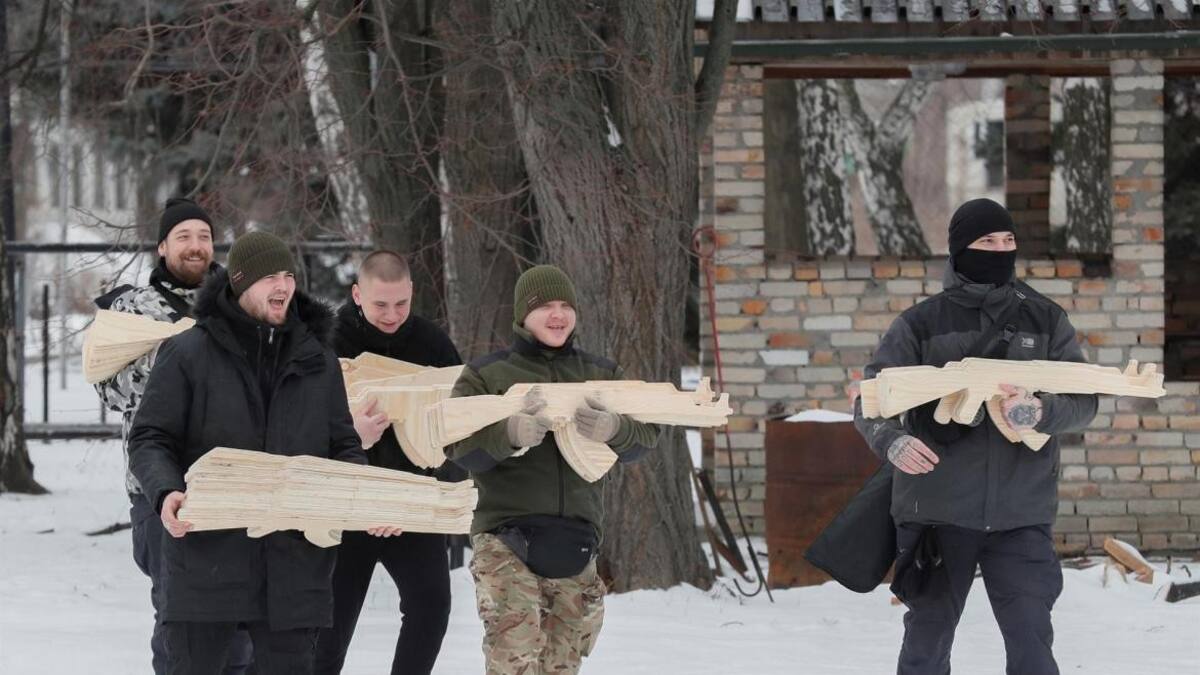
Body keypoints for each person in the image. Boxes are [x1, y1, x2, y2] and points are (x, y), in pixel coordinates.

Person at [853, 198, 1099, 675]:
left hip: (1021, 514)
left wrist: (1040, 411)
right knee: (927, 644)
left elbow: (1086, 402)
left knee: (1032, 644)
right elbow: (869, 400)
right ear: (961, 249)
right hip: (937, 514)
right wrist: (892, 442)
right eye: (988, 241)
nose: (1001, 249)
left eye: (1009, 241)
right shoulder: (920, 325)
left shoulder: (1046, 320)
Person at [128, 231, 389, 674]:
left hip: (293, 571)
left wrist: (362, 497)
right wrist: (165, 490)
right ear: (240, 283)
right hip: (205, 564)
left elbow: (342, 445)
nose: (283, 286)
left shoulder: (317, 359)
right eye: (270, 277)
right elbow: (151, 437)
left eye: (288, 275)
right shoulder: (188, 352)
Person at [446, 264, 661, 675]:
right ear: (522, 315)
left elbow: (647, 438)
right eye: (545, 305)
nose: (558, 315)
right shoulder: (486, 375)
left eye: (566, 305)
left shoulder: (602, 375)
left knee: (562, 665)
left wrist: (616, 428)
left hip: (576, 543)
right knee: (515, 660)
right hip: (505, 540)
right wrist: (507, 433)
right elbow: (457, 446)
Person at [93, 197, 253, 674]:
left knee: (242, 627)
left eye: (203, 237)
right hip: (157, 485)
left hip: (233, 484)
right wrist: (178, 364)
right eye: (183, 236)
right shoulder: (131, 312)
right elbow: (111, 390)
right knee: (179, 621)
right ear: (163, 247)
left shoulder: (239, 307)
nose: (195, 246)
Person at [315, 251, 461, 675]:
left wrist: (414, 496)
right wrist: (347, 432)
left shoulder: (433, 345)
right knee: (328, 630)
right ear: (357, 294)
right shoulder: (327, 341)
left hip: (410, 507)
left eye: (401, 303)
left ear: (412, 293)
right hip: (344, 507)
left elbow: (459, 432)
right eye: (380, 304)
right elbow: (295, 429)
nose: (392, 314)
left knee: (432, 608)